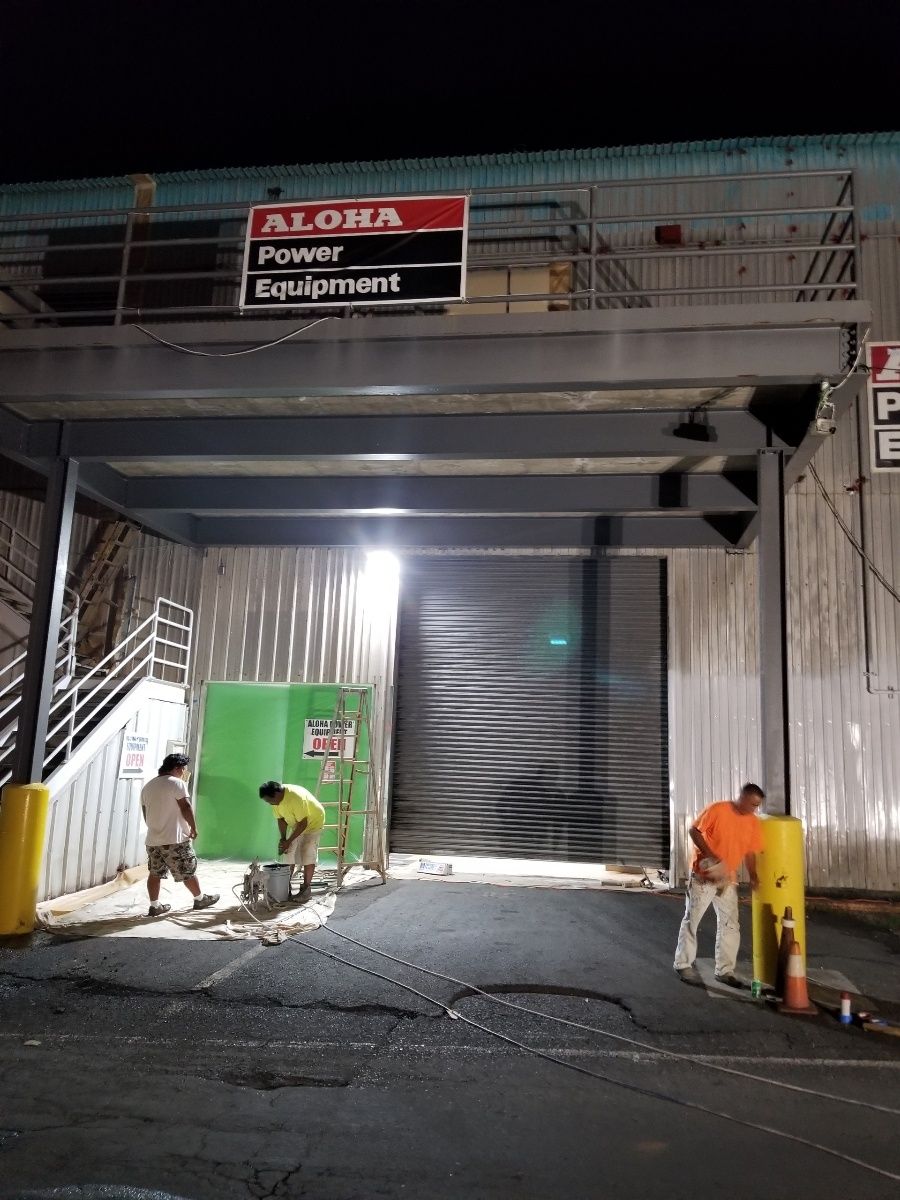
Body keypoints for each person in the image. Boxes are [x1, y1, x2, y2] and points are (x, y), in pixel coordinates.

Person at [673, 782, 765, 988]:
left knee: (730, 924)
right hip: (704, 876)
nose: (754, 809)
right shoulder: (718, 809)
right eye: (752, 804)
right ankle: (683, 964)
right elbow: (694, 830)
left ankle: (724, 970)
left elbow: (750, 852)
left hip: (727, 879)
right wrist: (710, 856)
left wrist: (753, 875)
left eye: (757, 806)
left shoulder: (752, 822)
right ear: (742, 797)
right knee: (693, 919)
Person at [141, 753, 219, 917]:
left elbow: (145, 813)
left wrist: (156, 827)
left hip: (153, 840)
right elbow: (186, 807)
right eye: (183, 769)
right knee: (187, 870)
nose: (184, 772)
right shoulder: (177, 783)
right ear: (177, 768)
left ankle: (154, 906)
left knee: (155, 873)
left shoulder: (148, 786)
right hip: (174, 838)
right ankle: (200, 899)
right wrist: (193, 827)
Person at [259, 780, 326, 902]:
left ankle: (306, 890)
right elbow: (281, 819)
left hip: (313, 823)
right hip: (296, 823)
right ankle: (285, 887)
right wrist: (283, 839)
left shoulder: (296, 798)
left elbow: (303, 823)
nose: (269, 803)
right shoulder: (276, 801)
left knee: (307, 853)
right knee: (289, 853)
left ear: (277, 794)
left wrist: (289, 840)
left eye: (269, 800)